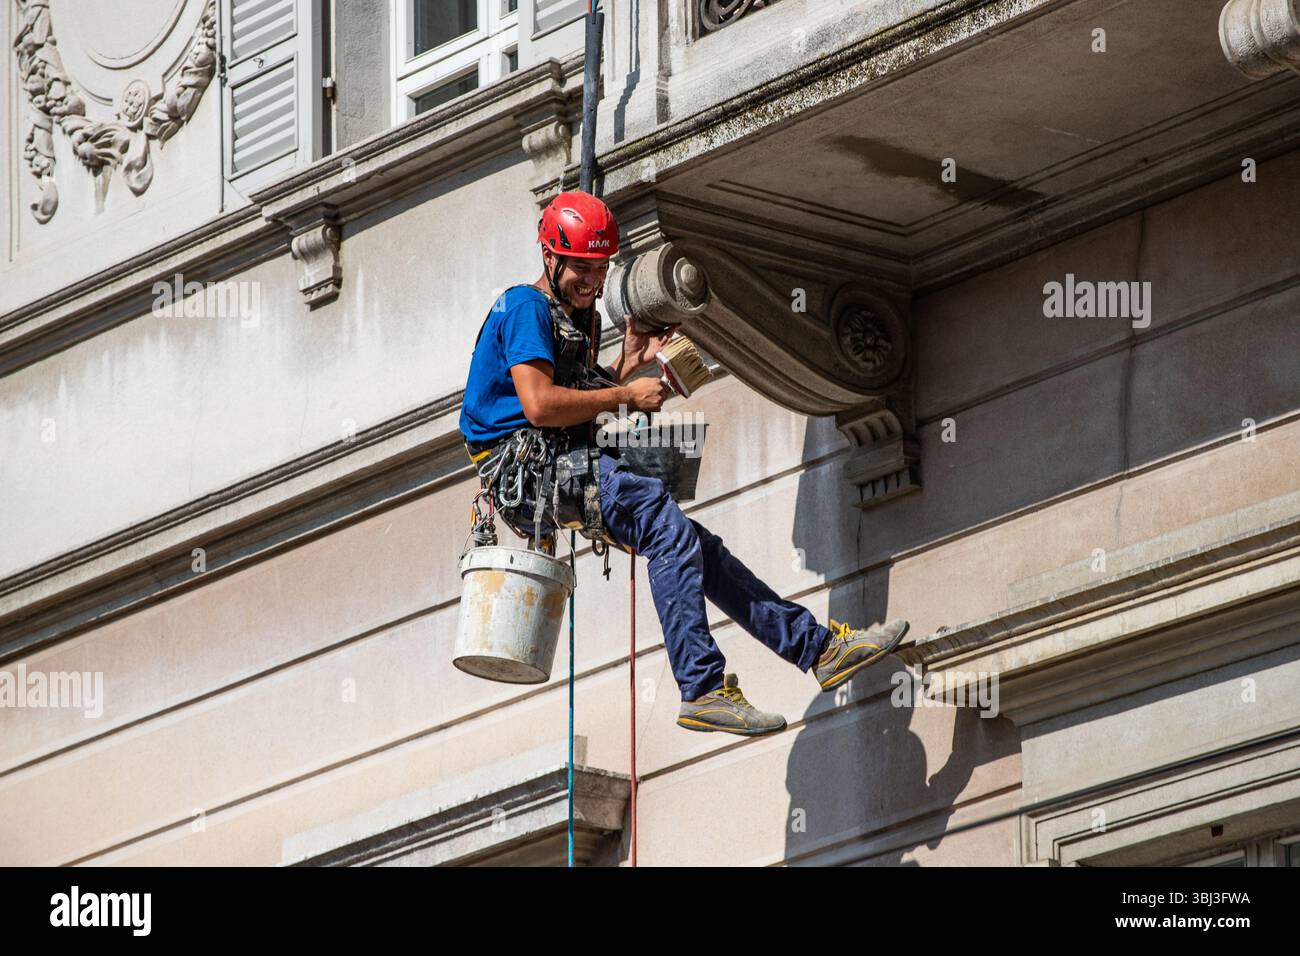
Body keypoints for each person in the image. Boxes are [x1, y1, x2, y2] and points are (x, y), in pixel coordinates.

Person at [459, 190, 909, 736]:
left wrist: (625, 366)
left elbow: (571, 402)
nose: (592, 282)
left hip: (556, 462)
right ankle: (701, 689)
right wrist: (624, 397)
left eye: (599, 269)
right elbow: (539, 404)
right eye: (580, 268)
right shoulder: (527, 308)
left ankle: (817, 649)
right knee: (662, 522)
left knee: (696, 547)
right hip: (530, 474)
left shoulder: (571, 315)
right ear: (549, 257)